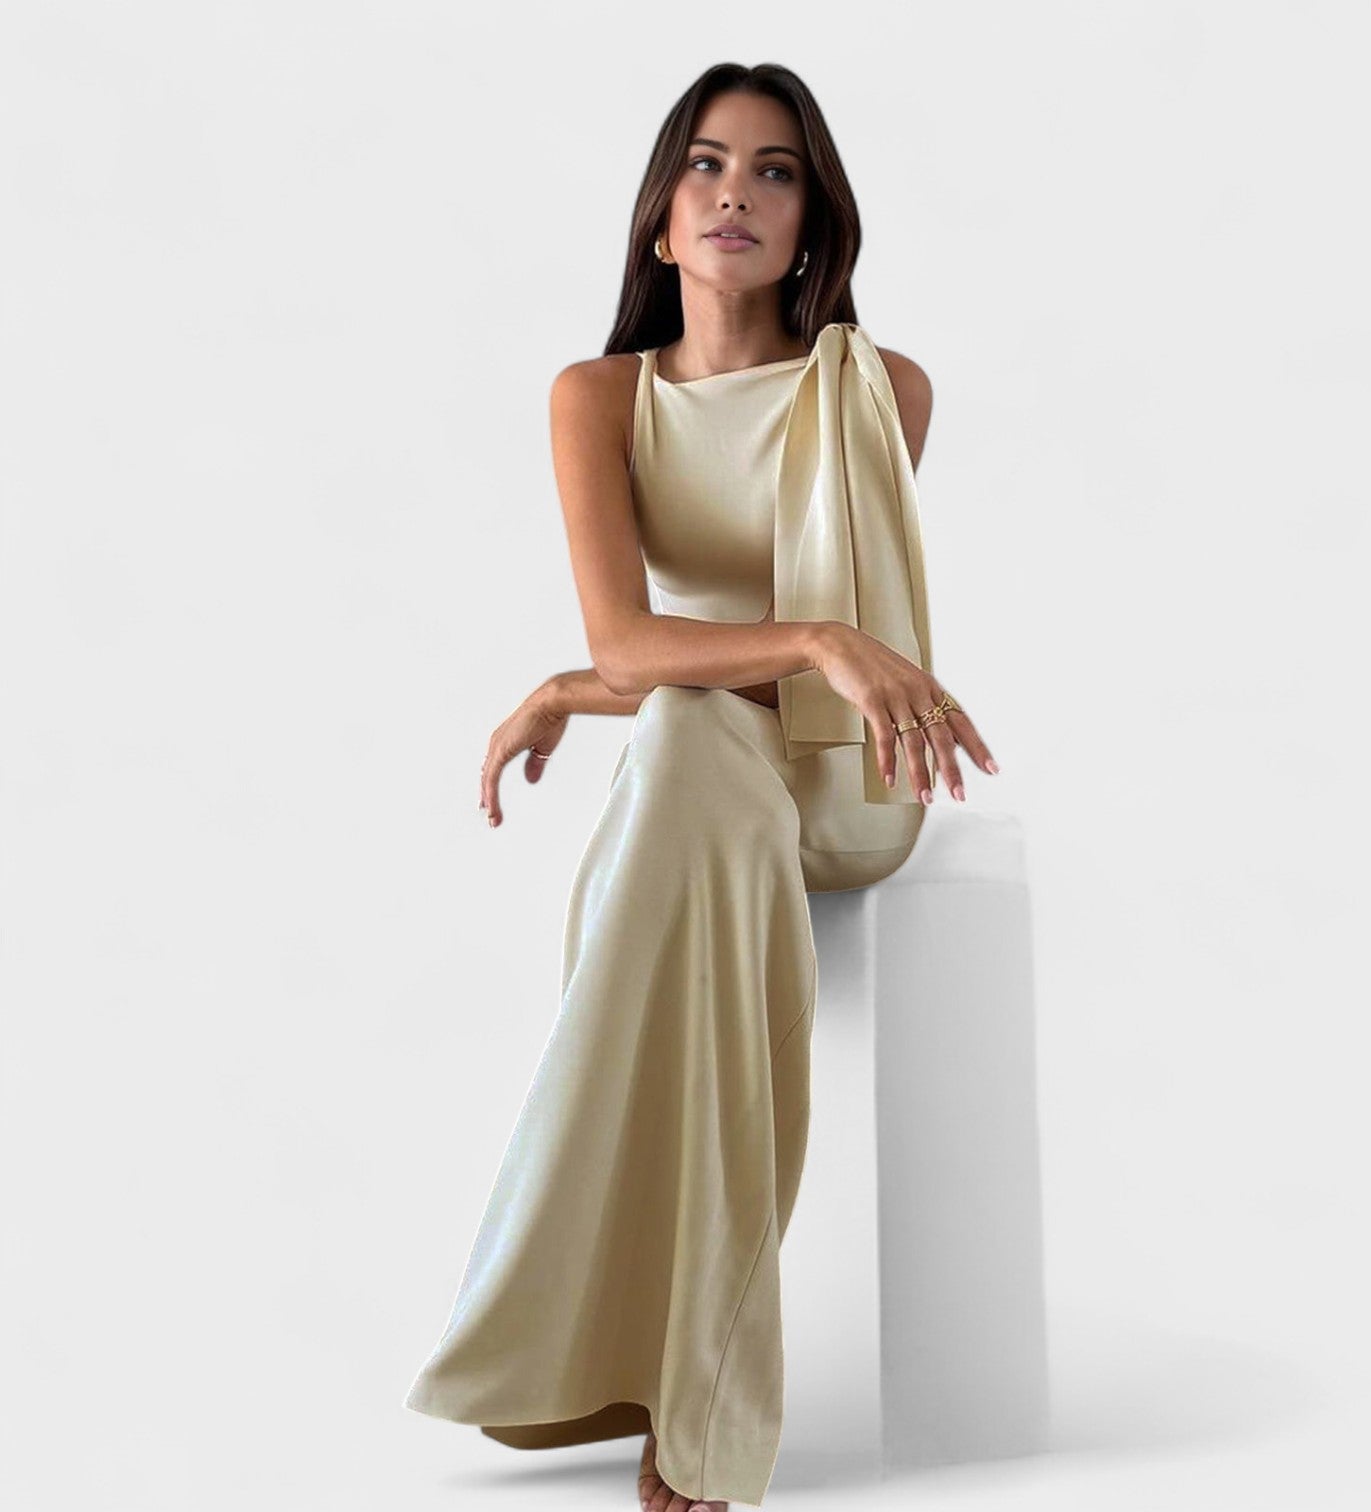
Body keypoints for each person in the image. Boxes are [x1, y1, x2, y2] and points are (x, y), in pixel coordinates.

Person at [404, 61, 998, 1512]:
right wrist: (776, 643)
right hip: (711, 765)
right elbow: (647, 647)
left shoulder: (881, 391)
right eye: (708, 165)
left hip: (846, 782)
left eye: (776, 170)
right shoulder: (596, 398)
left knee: (680, 741)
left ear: (812, 223)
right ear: (660, 219)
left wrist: (604, 684)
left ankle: (635, 1356)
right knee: (681, 745)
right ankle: (689, 1374)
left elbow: (795, 686)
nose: (738, 193)